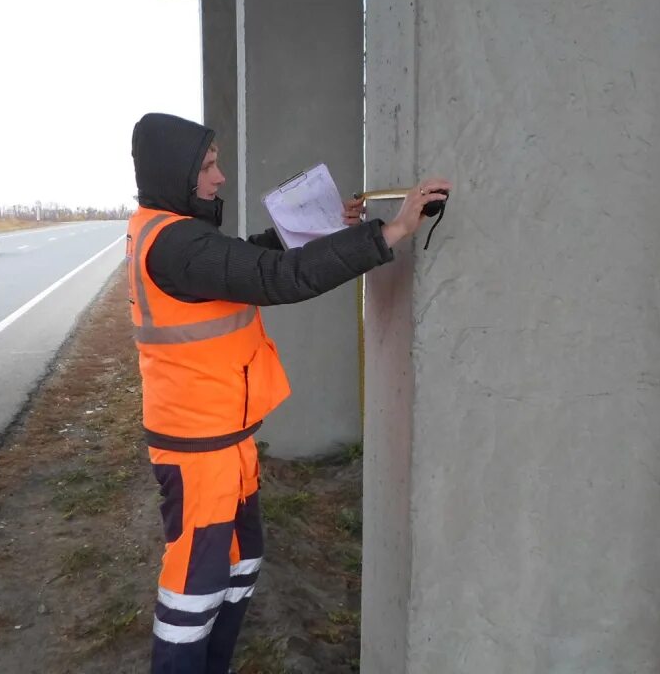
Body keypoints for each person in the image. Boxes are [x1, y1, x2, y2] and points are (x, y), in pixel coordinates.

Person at [127, 112, 450, 673]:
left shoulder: (176, 234)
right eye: (207, 165)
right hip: (200, 449)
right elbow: (276, 278)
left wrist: (325, 228)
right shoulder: (174, 243)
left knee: (240, 563)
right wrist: (387, 233)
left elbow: (248, 262)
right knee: (194, 590)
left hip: (225, 439)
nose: (220, 176)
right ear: (175, 172)